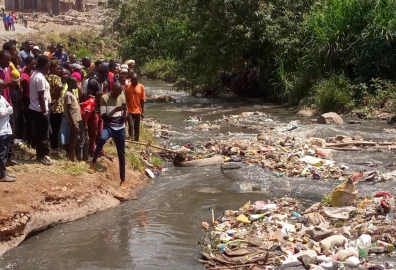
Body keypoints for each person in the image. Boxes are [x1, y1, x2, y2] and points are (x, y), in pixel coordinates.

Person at [89, 82, 127, 183]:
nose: (118, 94)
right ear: (112, 89)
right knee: (101, 139)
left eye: (120, 92)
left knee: (122, 153)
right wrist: (114, 110)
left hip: (120, 128)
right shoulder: (104, 98)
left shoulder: (122, 96)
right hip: (109, 126)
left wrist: (124, 113)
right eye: (117, 92)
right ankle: (93, 162)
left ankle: (123, 179)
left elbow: (124, 114)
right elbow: (104, 116)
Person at [29, 55, 53, 166]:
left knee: (41, 133)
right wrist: (44, 111)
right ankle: (41, 156)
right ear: (46, 65)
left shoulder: (35, 75)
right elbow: (41, 96)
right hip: (40, 109)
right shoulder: (40, 78)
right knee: (43, 134)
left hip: (35, 108)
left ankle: (42, 154)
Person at [87, 64, 108, 156]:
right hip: (93, 111)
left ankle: (99, 150)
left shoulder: (101, 83)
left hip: (100, 110)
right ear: (102, 74)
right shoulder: (93, 82)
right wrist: (99, 98)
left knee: (100, 132)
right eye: (106, 75)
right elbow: (87, 95)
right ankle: (92, 151)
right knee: (93, 133)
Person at [0, 79, 16, 182]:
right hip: (1, 131)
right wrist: (7, 110)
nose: (3, 89)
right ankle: (2, 175)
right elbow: (1, 113)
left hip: (5, 129)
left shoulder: (1, 97)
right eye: (1, 86)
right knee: (1, 153)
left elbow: (10, 108)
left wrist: (7, 110)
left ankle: (3, 172)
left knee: (4, 152)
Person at [47, 59, 63, 151]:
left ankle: (51, 147)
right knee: (56, 129)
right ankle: (55, 148)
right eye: (58, 68)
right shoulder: (56, 77)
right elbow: (60, 87)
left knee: (50, 128)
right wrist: (55, 96)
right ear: (52, 68)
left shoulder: (47, 77)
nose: (59, 70)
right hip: (57, 106)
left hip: (49, 106)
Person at [64, 76, 81, 162]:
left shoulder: (72, 93)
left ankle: (73, 155)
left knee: (75, 137)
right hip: (73, 119)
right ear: (70, 83)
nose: (77, 84)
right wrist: (74, 122)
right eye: (75, 82)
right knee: (73, 138)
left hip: (76, 118)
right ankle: (72, 156)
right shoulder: (68, 95)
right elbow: (68, 110)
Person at [20, 56, 36, 147]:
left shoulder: (33, 72)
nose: (34, 65)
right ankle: (29, 141)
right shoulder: (24, 76)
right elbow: (25, 91)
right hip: (28, 100)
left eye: (35, 63)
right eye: (32, 64)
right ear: (26, 64)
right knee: (29, 121)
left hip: (34, 99)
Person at [125, 73, 145, 141]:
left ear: (137, 79)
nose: (133, 81)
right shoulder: (127, 86)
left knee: (137, 127)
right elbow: (124, 97)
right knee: (131, 125)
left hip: (138, 110)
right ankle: (131, 138)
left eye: (135, 80)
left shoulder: (141, 87)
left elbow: (142, 99)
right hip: (129, 110)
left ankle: (136, 140)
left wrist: (142, 111)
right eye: (132, 80)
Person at [79, 90, 95, 161]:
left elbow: (81, 104)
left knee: (87, 140)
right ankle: (80, 158)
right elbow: (84, 113)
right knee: (82, 140)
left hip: (83, 120)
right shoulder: (91, 102)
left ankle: (85, 158)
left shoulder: (91, 101)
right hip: (82, 121)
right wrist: (85, 124)